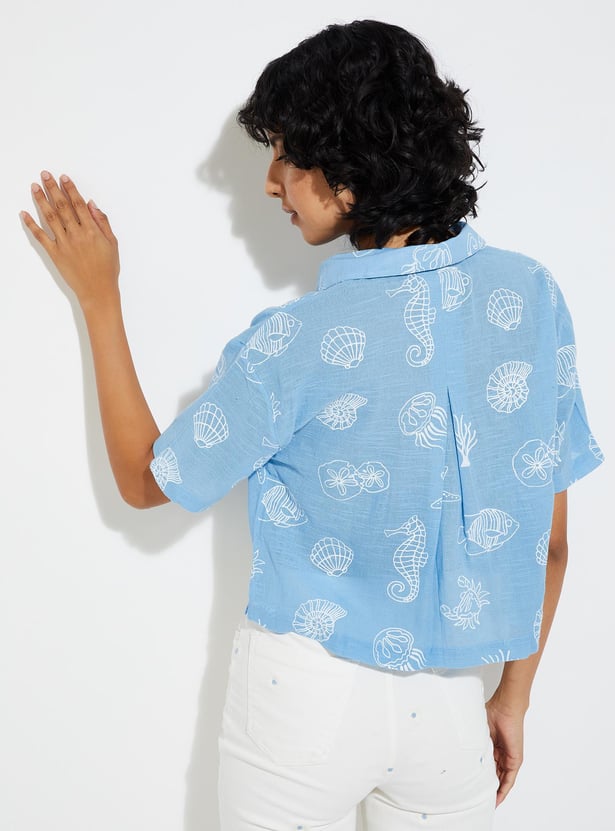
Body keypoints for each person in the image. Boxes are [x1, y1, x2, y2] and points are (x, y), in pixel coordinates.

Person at [21, 19, 603, 831]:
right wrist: (512, 698)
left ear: (350, 174)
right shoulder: (532, 298)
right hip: (449, 708)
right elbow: (551, 545)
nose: (270, 184)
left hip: (301, 700)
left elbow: (146, 479)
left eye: (287, 156)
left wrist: (99, 298)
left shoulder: (296, 343)